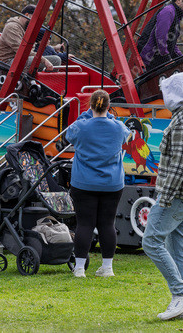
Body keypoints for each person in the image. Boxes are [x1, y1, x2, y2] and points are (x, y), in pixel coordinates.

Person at [142, 72, 183, 322]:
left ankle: (181, 294)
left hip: (178, 194)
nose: (164, 95)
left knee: (151, 241)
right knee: (179, 248)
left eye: (167, 90)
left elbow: (180, 165)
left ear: (176, 92)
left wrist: (165, 196)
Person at [65, 90, 130, 278]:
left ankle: (79, 268)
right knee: (107, 224)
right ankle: (107, 267)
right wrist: (109, 118)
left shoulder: (81, 126)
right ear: (109, 106)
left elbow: (69, 135)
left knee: (84, 224)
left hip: (84, 182)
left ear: (90, 105)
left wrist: (85, 116)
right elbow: (125, 136)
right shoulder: (118, 127)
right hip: (112, 183)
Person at [139, 0, 183, 70]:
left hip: (157, 59)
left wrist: (182, 59)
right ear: (179, 0)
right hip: (149, 58)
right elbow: (160, 37)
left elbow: (172, 43)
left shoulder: (176, 15)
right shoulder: (168, 11)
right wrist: (167, 59)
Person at [0, 4, 61, 72]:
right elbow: (21, 50)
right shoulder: (12, 27)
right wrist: (44, 60)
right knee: (36, 60)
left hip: (22, 59)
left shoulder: (26, 28)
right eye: (35, 19)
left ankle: (44, 79)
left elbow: (34, 46)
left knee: (56, 60)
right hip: (8, 61)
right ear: (27, 15)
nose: (36, 22)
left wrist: (54, 48)